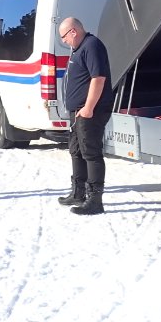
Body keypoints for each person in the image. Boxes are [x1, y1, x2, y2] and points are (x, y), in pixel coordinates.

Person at [57, 17, 114, 215]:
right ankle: (78, 192)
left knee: (91, 152)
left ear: (73, 31)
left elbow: (98, 78)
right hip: (77, 111)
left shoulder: (92, 45)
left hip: (90, 110)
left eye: (64, 37)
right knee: (76, 150)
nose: (63, 41)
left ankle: (95, 199)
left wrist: (89, 107)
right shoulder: (78, 48)